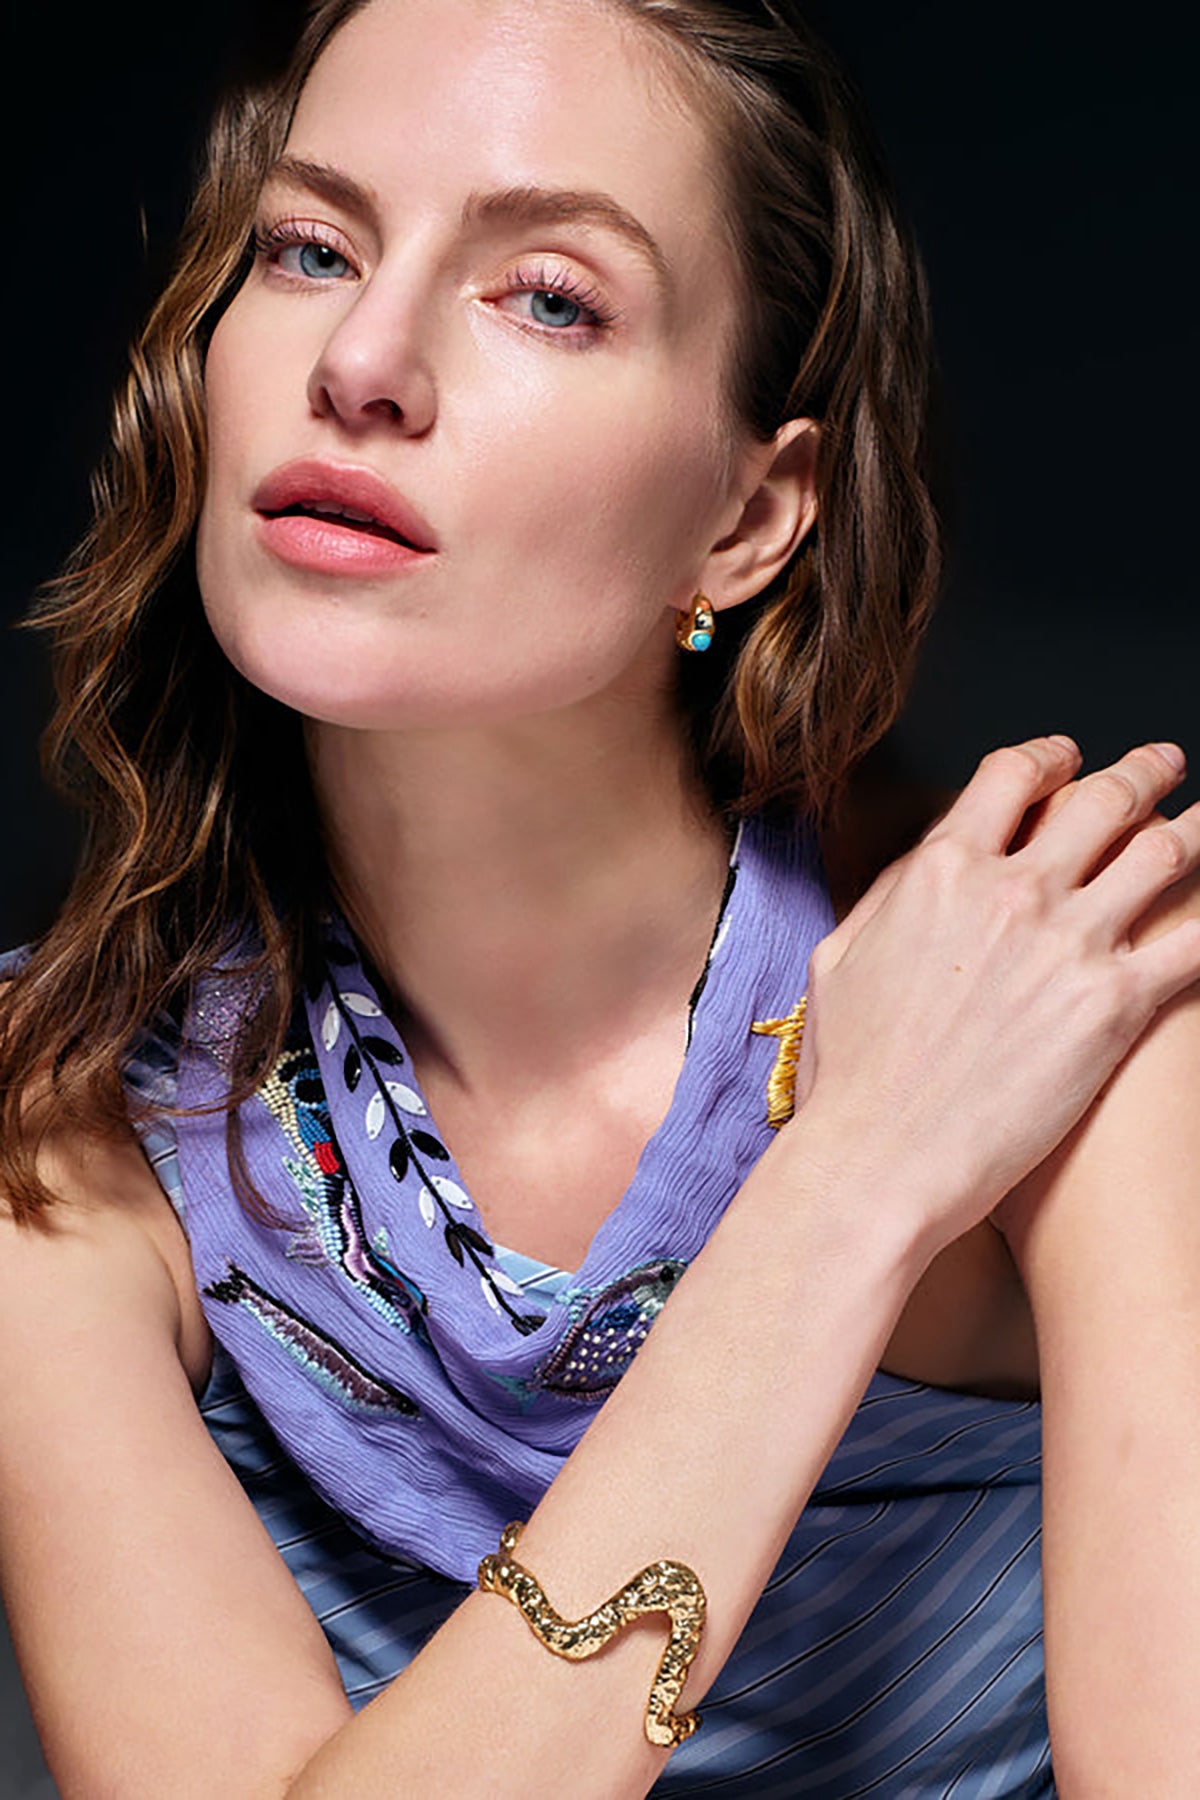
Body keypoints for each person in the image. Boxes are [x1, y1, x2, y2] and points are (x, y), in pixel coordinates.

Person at [1, 0, 1197, 1794]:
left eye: (549, 296)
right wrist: (855, 1182)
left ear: (749, 516)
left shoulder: (1055, 995)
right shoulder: (62, 1122)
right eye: (311, 247)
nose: (364, 362)